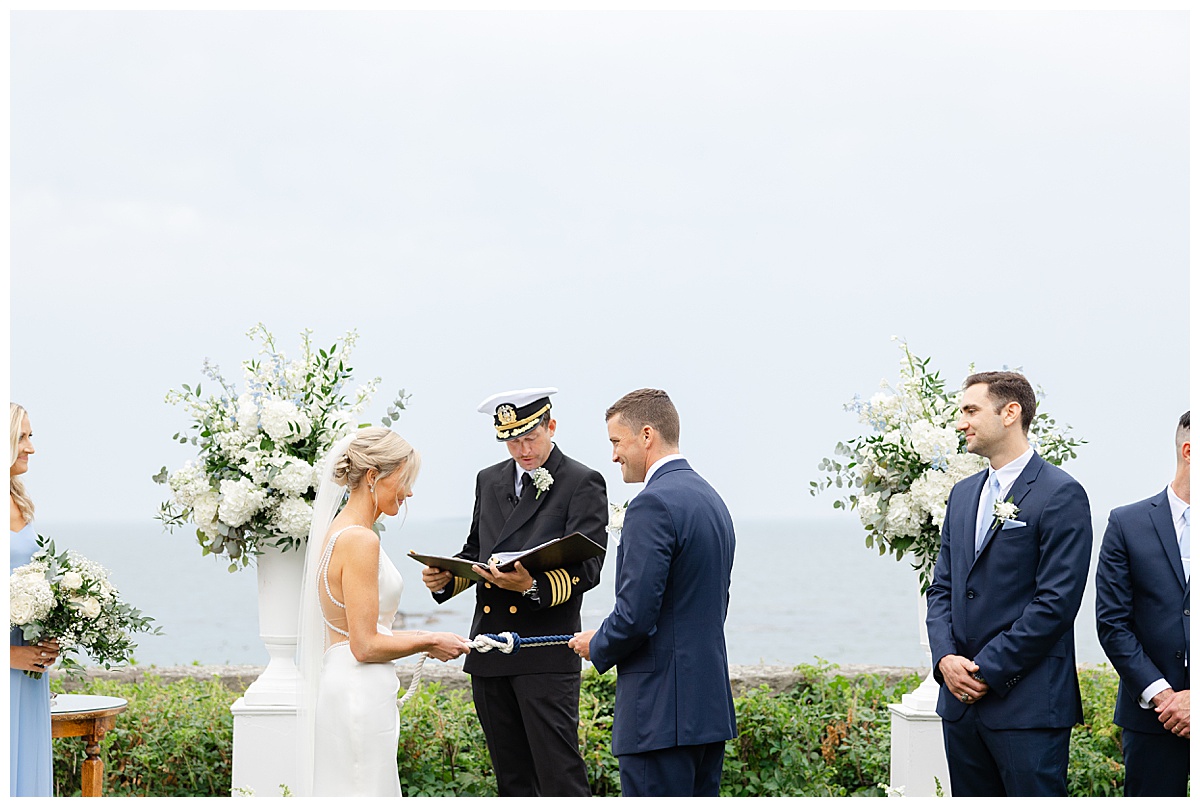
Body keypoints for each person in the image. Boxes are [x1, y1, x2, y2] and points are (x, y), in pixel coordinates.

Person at [421, 387, 607, 796]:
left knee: (559, 777)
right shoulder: (488, 480)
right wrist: (447, 579)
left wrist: (531, 586)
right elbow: (477, 552)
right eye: (512, 440)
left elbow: (589, 567)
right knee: (512, 781)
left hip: (543, 652)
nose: (522, 449)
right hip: (489, 650)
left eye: (530, 438)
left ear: (551, 427)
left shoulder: (582, 481)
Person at [925, 371, 1092, 797]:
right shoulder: (962, 494)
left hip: (1028, 707)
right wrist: (946, 660)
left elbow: (1055, 603)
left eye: (970, 410)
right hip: (960, 705)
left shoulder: (1061, 494)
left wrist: (986, 670)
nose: (960, 422)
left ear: (1010, 413)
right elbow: (942, 587)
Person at [569, 388, 737, 797]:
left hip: (661, 715)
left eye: (615, 442)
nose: (613, 456)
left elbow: (636, 615)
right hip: (706, 708)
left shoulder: (652, 504)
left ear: (646, 435)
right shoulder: (711, 499)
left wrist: (599, 643)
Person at [295, 427, 471, 797]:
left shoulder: (337, 531)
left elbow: (353, 635)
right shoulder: (361, 540)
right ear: (373, 477)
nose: (409, 492)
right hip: (359, 689)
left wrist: (430, 640)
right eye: (404, 480)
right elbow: (365, 645)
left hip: (344, 683)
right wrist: (430, 638)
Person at [1095, 410, 1190, 796]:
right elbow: (1113, 624)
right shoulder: (1126, 523)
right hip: (1153, 718)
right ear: (1189, 450)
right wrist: (1165, 698)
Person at [9, 402, 60, 797]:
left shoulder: (21, 501)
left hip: (29, 670)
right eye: (22, 437)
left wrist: (52, 629)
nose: (31, 448)